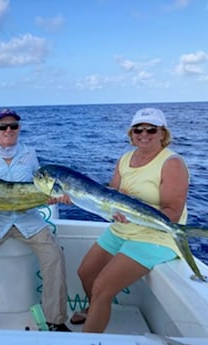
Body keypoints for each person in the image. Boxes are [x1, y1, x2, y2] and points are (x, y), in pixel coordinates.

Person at [70, 107, 189, 333]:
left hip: (155, 235)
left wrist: (134, 214)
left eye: (151, 130)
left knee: (102, 287)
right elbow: (110, 195)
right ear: (131, 134)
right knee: (85, 272)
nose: (144, 134)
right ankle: (94, 307)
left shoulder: (172, 163)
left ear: (163, 133)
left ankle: (92, 332)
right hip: (122, 228)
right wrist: (73, 196)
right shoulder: (125, 159)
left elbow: (172, 212)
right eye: (138, 130)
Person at [0, 108, 70, 331]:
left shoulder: (30, 153)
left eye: (13, 126)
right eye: (2, 126)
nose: (8, 130)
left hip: (28, 220)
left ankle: (55, 320)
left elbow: (41, 186)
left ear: (19, 129)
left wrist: (55, 196)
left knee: (55, 257)